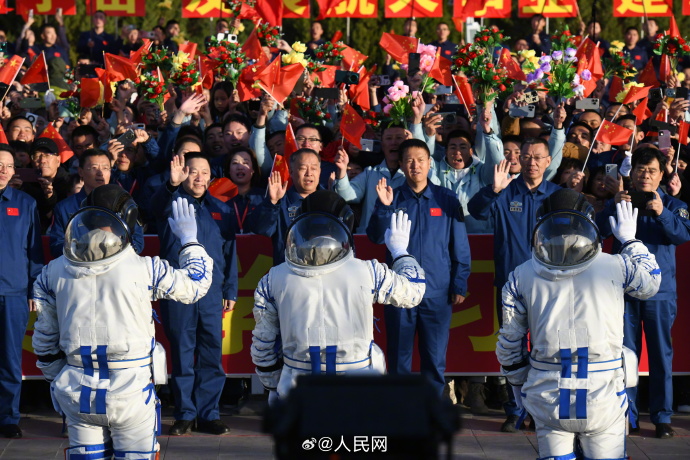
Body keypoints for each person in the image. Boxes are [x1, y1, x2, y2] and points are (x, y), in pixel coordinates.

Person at [32, 185, 214, 458]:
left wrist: (60, 380)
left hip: (77, 389)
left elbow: (45, 344)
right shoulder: (145, 269)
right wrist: (189, 241)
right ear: (127, 219)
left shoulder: (51, 273)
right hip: (131, 391)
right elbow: (196, 284)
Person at [496, 189, 661, 460]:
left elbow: (510, 347)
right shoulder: (617, 265)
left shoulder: (520, 276)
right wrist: (630, 240)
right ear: (589, 223)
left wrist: (519, 390)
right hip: (604, 394)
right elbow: (651, 282)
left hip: (547, 393)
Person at [251, 191, 426, 400]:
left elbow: (263, 347)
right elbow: (413, 291)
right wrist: (400, 252)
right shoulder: (368, 272)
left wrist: (273, 387)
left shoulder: (273, 279)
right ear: (345, 223)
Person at [596, 147, 690, 438]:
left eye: (651, 170)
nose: (645, 175)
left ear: (662, 174)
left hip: (660, 294)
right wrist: (613, 205)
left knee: (662, 356)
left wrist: (661, 213)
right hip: (622, 292)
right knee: (625, 355)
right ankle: (627, 414)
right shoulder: (620, 203)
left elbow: (682, 235)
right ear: (631, 172)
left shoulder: (674, 205)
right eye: (640, 169)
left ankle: (662, 417)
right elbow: (597, 232)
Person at [468, 138, 562, 431]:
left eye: (538, 157)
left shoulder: (558, 196)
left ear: (548, 162)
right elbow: (476, 211)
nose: (532, 162)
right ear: (519, 159)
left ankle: (543, 409)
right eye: (527, 157)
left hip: (550, 287)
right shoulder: (506, 190)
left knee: (547, 348)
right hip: (511, 287)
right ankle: (516, 409)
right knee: (513, 349)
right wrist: (492, 189)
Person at [367, 139, 471, 396]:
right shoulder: (392, 196)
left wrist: (459, 282)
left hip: (437, 292)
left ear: (429, 163)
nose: (415, 165)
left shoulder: (445, 198)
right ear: (401, 164)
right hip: (399, 292)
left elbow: (459, 246)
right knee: (399, 357)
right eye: (409, 160)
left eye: (421, 160)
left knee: (434, 359)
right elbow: (375, 237)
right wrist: (383, 207)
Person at [152, 153, 237, 436]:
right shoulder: (172, 204)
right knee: (182, 353)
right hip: (178, 290)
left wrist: (230, 289)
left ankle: (209, 414)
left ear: (212, 177)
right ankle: (185, 414)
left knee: (212, 352)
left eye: (205, 172)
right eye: (192, 171)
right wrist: (170, 187)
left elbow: (229, 253)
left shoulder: (222, 210)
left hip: (212, 294)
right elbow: (150, 211)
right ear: (182, 174)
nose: (199, 177)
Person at [0, 145, 43, 439]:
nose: (2, 169)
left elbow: (34, 251)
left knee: (9, 359)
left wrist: (33, 288)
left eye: (7, 165)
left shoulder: (25, 203)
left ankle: (8, 417)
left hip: (13, 293)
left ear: (15, 171)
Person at [247, 148, 322, 264]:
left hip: (325, 272)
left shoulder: (331, 201)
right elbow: (261, 229)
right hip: (290, 273)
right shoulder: (280, 202)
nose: (309, 173)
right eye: (302, 168)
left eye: (313, 168)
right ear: (291, 172)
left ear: (320, 171)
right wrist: (272, 202)